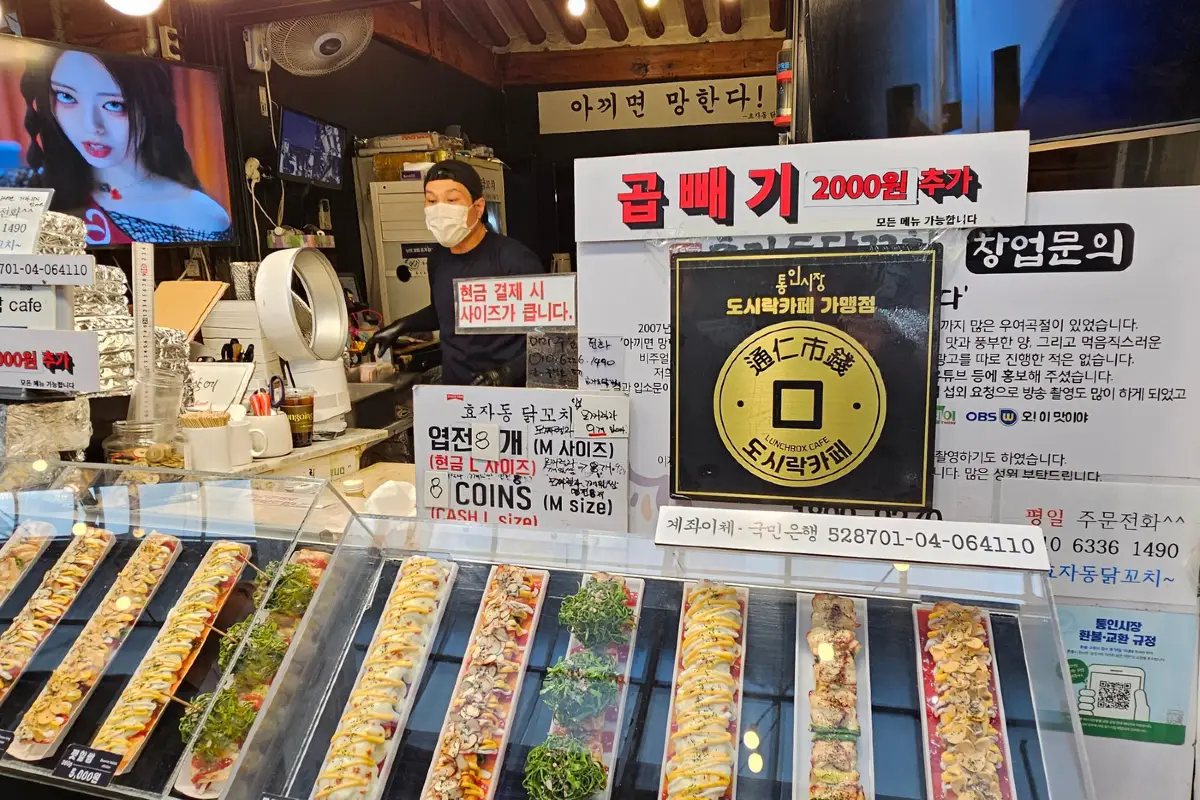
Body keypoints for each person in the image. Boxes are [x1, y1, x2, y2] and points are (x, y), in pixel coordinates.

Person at [20, 49, 232, 245]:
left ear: (152, 108)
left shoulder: (199, 216)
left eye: (114, 105)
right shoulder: (28, 192)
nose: (91, 125)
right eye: (66, 96)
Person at [367, 160, 546, 386]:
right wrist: (401, 326)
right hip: (456, 394)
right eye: (432, 200)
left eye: (452, 200)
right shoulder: (438, 258)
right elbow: (445, 311)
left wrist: (507, 372)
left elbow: (548, 336)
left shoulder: (515, 260)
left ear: (478, 207)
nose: (440, 209)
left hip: (509, 398)